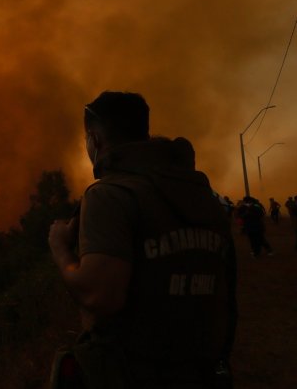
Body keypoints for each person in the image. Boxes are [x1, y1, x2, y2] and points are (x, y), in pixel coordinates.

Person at [48, 91, 236, 388]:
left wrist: (60, 249)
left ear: (94, 140)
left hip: (133, 372)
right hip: (199, 369)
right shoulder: (199, 194)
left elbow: (100, 296)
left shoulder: (109, 195)